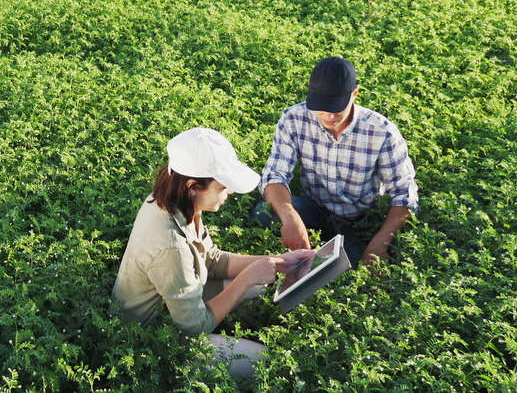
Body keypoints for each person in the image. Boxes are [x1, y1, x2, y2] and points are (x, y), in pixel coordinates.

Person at [112, 127, 314, 377]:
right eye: (223, 186)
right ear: (193, 186)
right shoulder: (169, 247)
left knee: (257, 286)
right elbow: (194, 329)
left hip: (173, 303)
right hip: (152, 339)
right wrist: (248, 276)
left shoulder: (176, 199)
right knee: (262, 360)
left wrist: (278, 261)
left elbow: (211, 259)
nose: (229, 192)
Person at [254, 57, 419, 269]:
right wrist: (290, 217)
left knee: (356, 269)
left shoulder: (381, 131)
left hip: (358, 219)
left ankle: (338, 251)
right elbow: (275, 175)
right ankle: (314, 248)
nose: (329, 115)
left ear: (355, 93)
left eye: (336, 107)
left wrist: (379, 245)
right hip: (315, 207)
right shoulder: (293, 119)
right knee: (264, 212)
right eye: (322, 106)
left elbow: (404, 193)